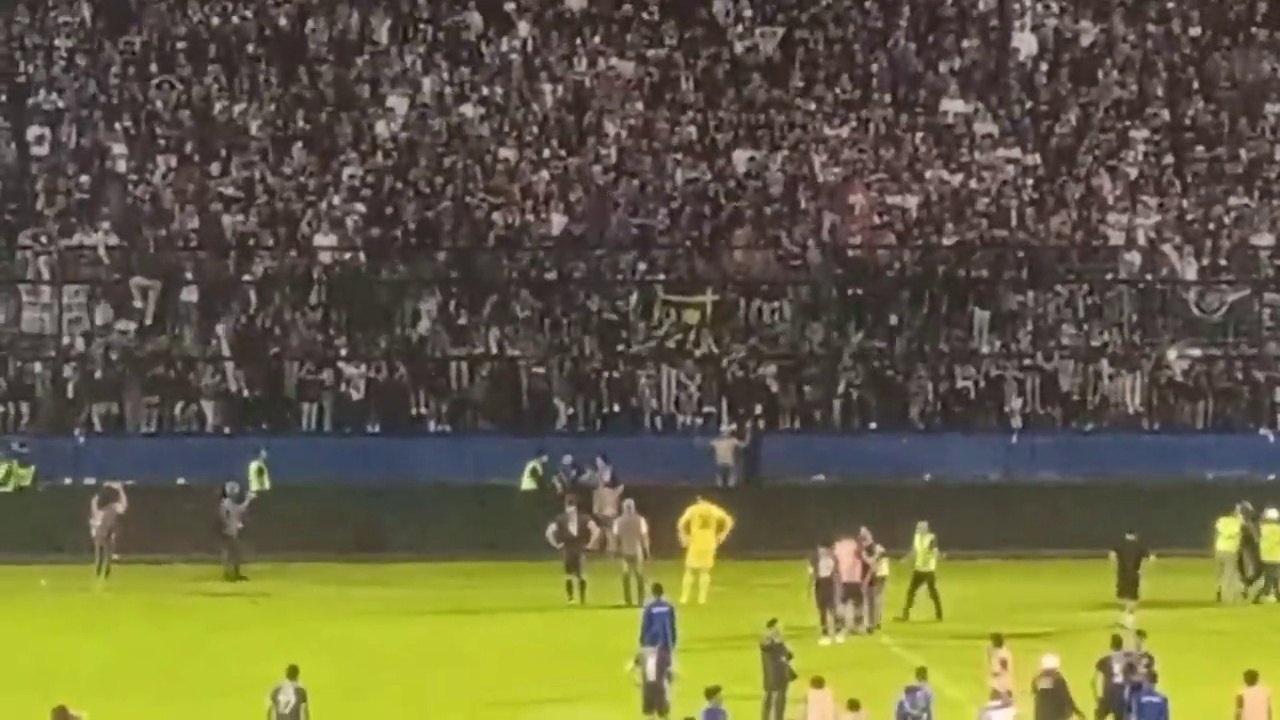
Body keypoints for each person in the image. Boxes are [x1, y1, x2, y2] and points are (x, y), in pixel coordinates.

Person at [676, 496, 735, 605]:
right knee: (705, 571)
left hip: (695, 542)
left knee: (689, 570)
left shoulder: (693, 509)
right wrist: (722, 535)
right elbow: (729, 520)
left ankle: (684, 597)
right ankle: (702, 599)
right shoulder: (713, 509)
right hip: (709, 543)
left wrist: (684, 536)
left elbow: (681, 523)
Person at [545, 497, 600, 604]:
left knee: (581, 575)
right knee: (570, 575)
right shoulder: (561, 519)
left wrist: (591, 544)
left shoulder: (583, 518)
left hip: (578, 549)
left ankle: (581, 599)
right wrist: (556, 544)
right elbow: (549, 532)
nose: (570, 511)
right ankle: (571, 598)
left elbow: (596, 530)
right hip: (569, 549)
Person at [899, 520, 943, 622]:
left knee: (932, 593)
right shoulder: (917, 537)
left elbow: (935, 551)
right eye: (917, 528)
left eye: (919, 528)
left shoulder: (931, 538)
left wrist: (936, 556)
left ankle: (939, 614)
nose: (917, 530)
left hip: (928, 570)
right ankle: (905, 615)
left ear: (925, 529)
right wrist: (906, 559)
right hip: (918, 569)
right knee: (911, 592)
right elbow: (914, 551)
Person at [1110, 529, 1152, 629]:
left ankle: (1124, 620)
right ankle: (1129, 620)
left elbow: (1112, 556)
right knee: (1133, 598)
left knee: (1122, 597)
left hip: (1122, 575)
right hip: (1134, 574)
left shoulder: (1119, 545)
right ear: (1135, 536)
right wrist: (1142, 569)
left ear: (1126, 536)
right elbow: (1150, 558)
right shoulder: (1139, 547)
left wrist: (1117, 565)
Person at [616, 498, 651, 606]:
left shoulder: (618, 521)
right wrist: (647, 551)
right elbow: (644, 537)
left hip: (625, 551)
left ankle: (628, 600)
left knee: (626, 576)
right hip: (637, 550)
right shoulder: (640, 520)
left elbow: (616, 537)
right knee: (639, 575)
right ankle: (640, 600)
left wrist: (615, 549)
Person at [90, 481, 128, 581]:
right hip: (103, 533)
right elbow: (123, 506)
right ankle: (101, 569)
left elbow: (123, 506)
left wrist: (120, 490)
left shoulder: (112, 507)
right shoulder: (108, 509)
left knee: (106, 554)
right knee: (102, 554)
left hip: (106, 533)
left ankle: (104, 570)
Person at [760, 618, 796, 720]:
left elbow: (787, 656)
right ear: (772, 628)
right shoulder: (767, 643)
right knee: (770, 700)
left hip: (783, 676)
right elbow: (765, 646)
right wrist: (772, 637)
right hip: (772, 677)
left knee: (781, 701)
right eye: (778, 627)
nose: (781, 629)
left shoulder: (780, 642)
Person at [1092, 634, 1134, 720]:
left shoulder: (1104, 661)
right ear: (1122, 646)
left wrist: (1097, 699)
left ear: (1111, 646)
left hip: (1107, 698)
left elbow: (1093, 682)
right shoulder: (1128, 661)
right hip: (1121, 700)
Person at [220, 481, 255, 582]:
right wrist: (248, 499)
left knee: (234, 553)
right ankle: (231, 574)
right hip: (229, 532)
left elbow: (236, 512)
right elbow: (239, 510)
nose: (236, 492)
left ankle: (233, 574)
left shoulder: (227, 503)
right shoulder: (227, 503)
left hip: (230, 531)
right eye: (234, 489)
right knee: (232, 553)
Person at [833, 533, 867, 636]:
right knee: (857, 602)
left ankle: (842, 626)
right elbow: (859, 554)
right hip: (854, 578)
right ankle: (856, 625)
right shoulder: (854, 544)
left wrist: (836, 574)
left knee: (843, 602)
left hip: (845, 578)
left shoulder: (838, 545)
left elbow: (835, 560)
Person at [1034, 654, 1084, 720]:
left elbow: (1042, 698)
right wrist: (1077, 711)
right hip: (1058, 716)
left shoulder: (1038, 680)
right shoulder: (1058, 679)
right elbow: (1066, 697)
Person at [811, 540, 842, 645]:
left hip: (829, 583)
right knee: (822, 610)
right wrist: (810, 588)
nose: (821, 551)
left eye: (823, 549)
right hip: (819, 584)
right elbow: (813, 576)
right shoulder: (815, 560)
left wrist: (838, 587)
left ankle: (837, 633)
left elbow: (837, 574)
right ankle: (825, 634)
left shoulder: (833, 559)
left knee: (832, 609)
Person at [592, 454, 624, 552]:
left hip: (608, 503)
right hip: (602, 501)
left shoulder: (608, 471)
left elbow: (619, 486)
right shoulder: (599, 473)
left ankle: (612, 547)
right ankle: (606, 547)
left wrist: (615, 494)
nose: (597, 463)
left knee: (609, 527)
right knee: (603, 527)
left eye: (599, 461)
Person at [639, 582, 678, 662]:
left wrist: (642, 640)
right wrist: (673, 641)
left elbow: (645, 625)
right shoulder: (669, 607)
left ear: (652, 593)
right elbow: (672, 625)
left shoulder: (650, 607)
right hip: (665, 640)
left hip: (651, 640)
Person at [1215, 505, 1245, 602]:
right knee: (1229, 574)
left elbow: (1218, 530)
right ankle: (1227, 596)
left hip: (1219, 549)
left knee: (1220, 573)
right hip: (1230, 550)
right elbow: (1236, 532)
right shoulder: (1238, 523)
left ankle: (1218, 590)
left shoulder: (1222, 520)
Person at [634, 645, 673, 720]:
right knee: (650, 711)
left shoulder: (662, 655)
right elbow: (635, 666)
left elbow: (668, 672)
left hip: (659, 688)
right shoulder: (644, 654)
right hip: (650, 687)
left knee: (662, 711)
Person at [862, 528, 889, 632]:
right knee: (877, 599)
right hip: (882, 573)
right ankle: (876, 622)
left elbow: (873, 564)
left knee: (873, 599)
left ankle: (873, 622)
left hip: (878, 574)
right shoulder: (878, 547)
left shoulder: (869, 550)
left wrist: (867, 578)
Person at [1254, 506, 1280, 604]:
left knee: (1275, 578)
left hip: (1265, 556)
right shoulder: (1277, 529)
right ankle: (1257, 597)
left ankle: (1278, 595)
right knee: (1270, 580)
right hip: (1275, 557)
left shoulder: (1262, 528)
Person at [1239, 502, 1264, 593]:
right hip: (1250, 549)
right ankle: (1246, 586)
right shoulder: (1247, 523)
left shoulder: (1246, 522)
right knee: (1257, 570)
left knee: (1254, 571)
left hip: (1246, 549)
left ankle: (1246, 587)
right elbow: (1256, 536)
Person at [988, 632, 1015, 700]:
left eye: (993, 641)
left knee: (996, 700)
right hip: (998, 681)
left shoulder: (1003, 652)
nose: (992, 643)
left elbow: (1004, 668)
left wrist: (997, 673)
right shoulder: (996, 651)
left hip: (1002, 682)